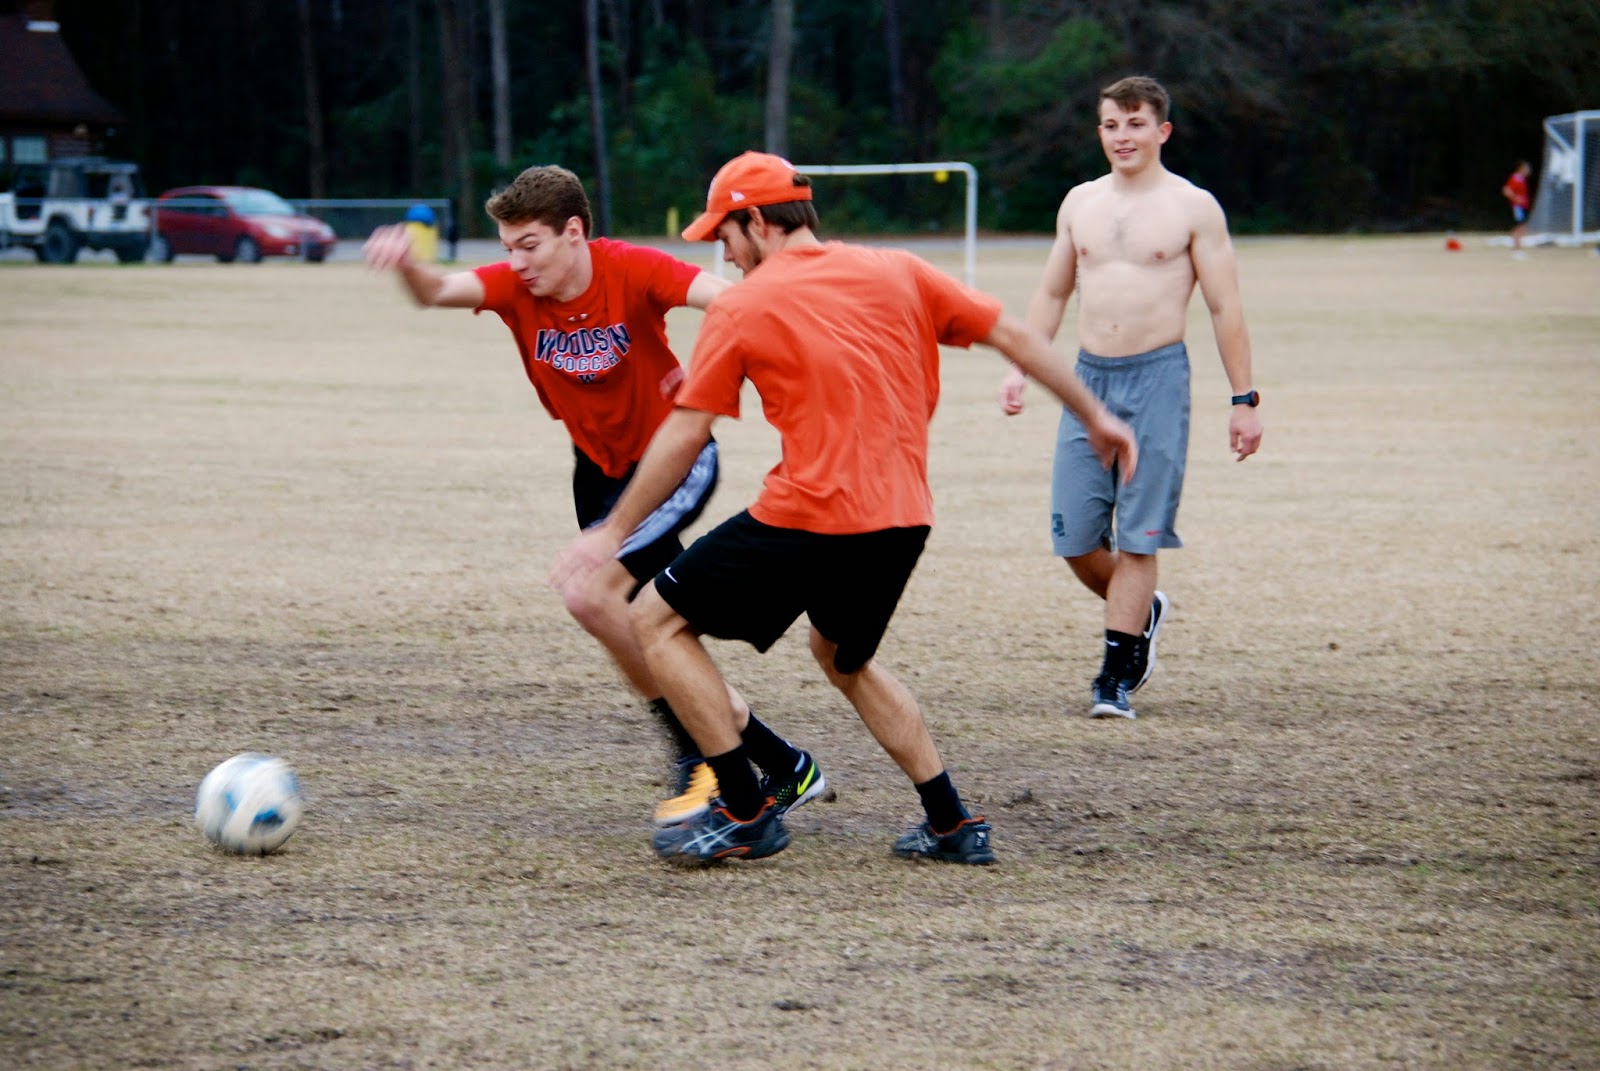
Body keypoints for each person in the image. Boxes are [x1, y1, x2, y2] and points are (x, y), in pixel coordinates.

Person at [550, 151, 1139, 867]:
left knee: (654, 620)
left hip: (810, 514)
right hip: (902, 520)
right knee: (841, 656)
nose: (724, 255)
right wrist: (1096, 415)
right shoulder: (900, 270)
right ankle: (952, 822)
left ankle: (745, 810)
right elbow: (1013, 335)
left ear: (757, 222)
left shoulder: (744, 305)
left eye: (725, 235)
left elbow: (684, 432)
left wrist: (613, 531)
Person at [363, 164, 740, 826]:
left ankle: (705, 755)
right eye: (507, 248)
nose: (517, 263)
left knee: (596, 599)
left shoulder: (632, 269)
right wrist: (406, 266)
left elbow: (732, 301)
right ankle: (764, 754)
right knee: (643, 619)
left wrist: (703, 371)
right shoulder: (516, 288)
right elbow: (435, 291)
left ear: (573, 232)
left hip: (669, 462)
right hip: (597, 470)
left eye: (529, 245)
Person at [998, 75, 1264, 721]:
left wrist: (1244, 398)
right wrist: (1022, 366)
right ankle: (1143, 610)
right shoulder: (1079, 203)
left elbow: (1225, 306)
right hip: (1086, 381)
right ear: (1100, 131)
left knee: (1140, 536)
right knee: (1074, 536)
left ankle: (1114, 674)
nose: (1123, 136)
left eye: (1136, 123)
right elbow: (1054, 292)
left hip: (1158, 379)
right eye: (1112, 125)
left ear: (1162, 131)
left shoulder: (1194, 207)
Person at [1501, 160, 1532, 258]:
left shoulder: (1521, 179)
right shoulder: (1516, 178)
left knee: (1521, 228)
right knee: (1520, 228)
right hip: (1517, 207)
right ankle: (1516, 250)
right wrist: (1515, 198)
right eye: (1527, 168)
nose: (1529, 170)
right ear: (1521, 168)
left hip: (1522, 207)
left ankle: (1517, 248)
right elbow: (1506, 190)